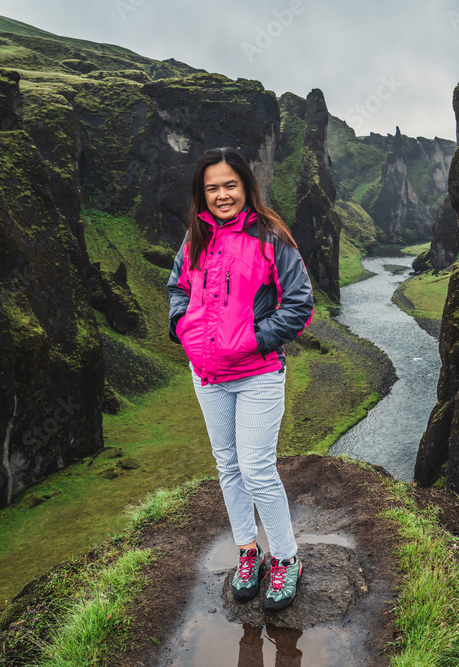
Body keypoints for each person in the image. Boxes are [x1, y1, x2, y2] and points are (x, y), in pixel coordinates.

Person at [166, 146, 313, 611]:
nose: (222, 195)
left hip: (257, 374)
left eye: (230, 185)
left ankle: (286, 559)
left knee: (256, 469)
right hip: (206, 374)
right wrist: (183, 329)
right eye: (212, 188)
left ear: (246, 186)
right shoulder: (193, 240)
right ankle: (248, 551)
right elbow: (177, 289)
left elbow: (300, 302)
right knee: (227, 465)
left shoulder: (272, 237)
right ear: (201, 193)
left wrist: (252, 339)